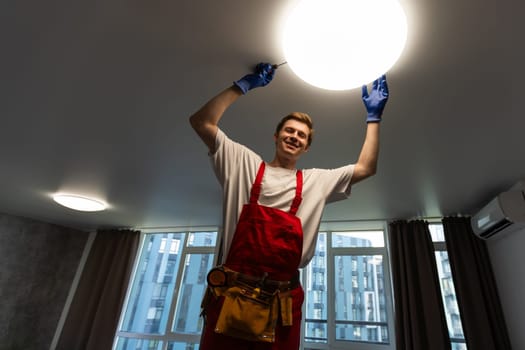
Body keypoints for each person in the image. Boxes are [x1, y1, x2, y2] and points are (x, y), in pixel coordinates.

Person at [189, 63, 389, 350]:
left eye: (302, 135)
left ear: (306, 147)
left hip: (282, 303)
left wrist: (374, 118)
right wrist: (242, 86)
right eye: (289, 130)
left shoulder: (316, 181)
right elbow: (201, 122)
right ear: (276, 135)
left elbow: (366, 168)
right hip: (229, 294)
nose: (294, 136)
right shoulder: (241, 162)